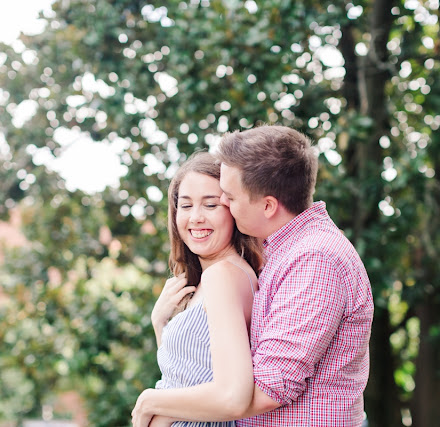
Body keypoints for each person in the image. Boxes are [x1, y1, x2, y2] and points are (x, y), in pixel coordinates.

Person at [133, 125, 373, 426]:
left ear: (268, 205)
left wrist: (153, 403)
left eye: (227, 199)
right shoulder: (283, 255)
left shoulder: (315, 258)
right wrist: (163, 326)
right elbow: (199, 368)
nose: (227, 208)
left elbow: (265, 388)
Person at [132, 151, 262, 427]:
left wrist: (149, 400)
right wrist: (161, 323)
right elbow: (186, 376)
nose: (196, 218)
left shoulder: (223, 276)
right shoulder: (211, 278)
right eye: (186, 205)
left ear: (232, 210)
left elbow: (232, 396)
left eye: (211, 205)